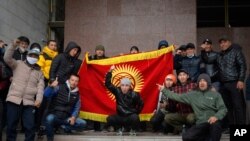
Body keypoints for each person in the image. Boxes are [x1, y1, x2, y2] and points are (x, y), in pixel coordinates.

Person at [158, 73, 227, 141]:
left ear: (208, 83)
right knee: (186, 137)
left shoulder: (215, 95)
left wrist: (216, 117)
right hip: (201, 123)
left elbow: (223, 109)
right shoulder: (193, 95)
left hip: (213, 122)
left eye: (204, 81)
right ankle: (206, 136)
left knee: (215, 129)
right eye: (200, 81)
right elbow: (177, 97)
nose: (202, 83)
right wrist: (164, 90)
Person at [4, 39, 44, 141]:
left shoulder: (39, 72)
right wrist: (13, 45)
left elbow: (40, 87)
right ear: (27, 55)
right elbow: (7, 58)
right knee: (11, 126)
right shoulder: (18, 63)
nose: (33, 58)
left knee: (30, 127)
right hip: (14, 99)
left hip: (29, 102)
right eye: (31, 55)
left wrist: (39, 99)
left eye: (36, 57)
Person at [45, 74, 86, 141]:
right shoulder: (59, 87)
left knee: (82, 123)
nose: (74, 82)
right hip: (55, 116)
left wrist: (73, 117)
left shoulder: (77, 94)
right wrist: (50, 87)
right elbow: (46, 95)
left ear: (78, 83)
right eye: (72, 80)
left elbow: (77, 108)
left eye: (76, 81)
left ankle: (63, 128)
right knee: (49, 118)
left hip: (66, 118)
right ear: (68, 80)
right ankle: (50, 139)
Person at [105, 65, 144, 136]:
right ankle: (119, 128)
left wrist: (136, 112)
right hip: (120, 117)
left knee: (136, 117)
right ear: (120, 86)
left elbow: (141, 103)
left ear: (129, 86)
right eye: (122, 85)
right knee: (109, 118)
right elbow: (107, 84)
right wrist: (110, 71)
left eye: (126, 85)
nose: (124, 87)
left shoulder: (134, 94)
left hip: (130, 117)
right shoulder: (117, 91)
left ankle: (132, 129)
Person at [217, 36, 247, 125]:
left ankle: (240, 128)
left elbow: (243, 66)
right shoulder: (219, 55)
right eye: (221, 43)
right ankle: (231, 127)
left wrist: (241, 80)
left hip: (235, 83)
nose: (222, 44)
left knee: (238, 106)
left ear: (229, 42)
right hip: (223, 84)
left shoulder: (236, 52)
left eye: (224, 42)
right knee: (227, 107)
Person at [36, 40, 58, 135]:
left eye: (55, 45)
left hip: (54, 83)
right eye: (51, 45)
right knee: (42, 105)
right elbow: (39, 69)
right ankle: (38, 126)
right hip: (45, 82)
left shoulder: (57, 56)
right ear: (47, 46)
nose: (53, 46)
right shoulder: (42, 55)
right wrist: (46, 79)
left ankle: (46, 126)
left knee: (51, 105)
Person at [164, 69, 196, 134]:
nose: (182, 77)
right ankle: (183, 128)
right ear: (178, 77)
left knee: (191, 119)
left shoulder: (194, 86)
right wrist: (170, 99)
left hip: (191, 113)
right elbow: (172, 107)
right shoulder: (175, 88)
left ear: (187, 76)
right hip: (180, 114)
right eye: (180, 75)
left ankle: (193, 129)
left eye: (184, 75)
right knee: (167, 118)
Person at [0, 40, 12, 140]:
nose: (3, 46)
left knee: (3, 112)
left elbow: (7, 72)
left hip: (4, 90)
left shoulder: (4, 59)